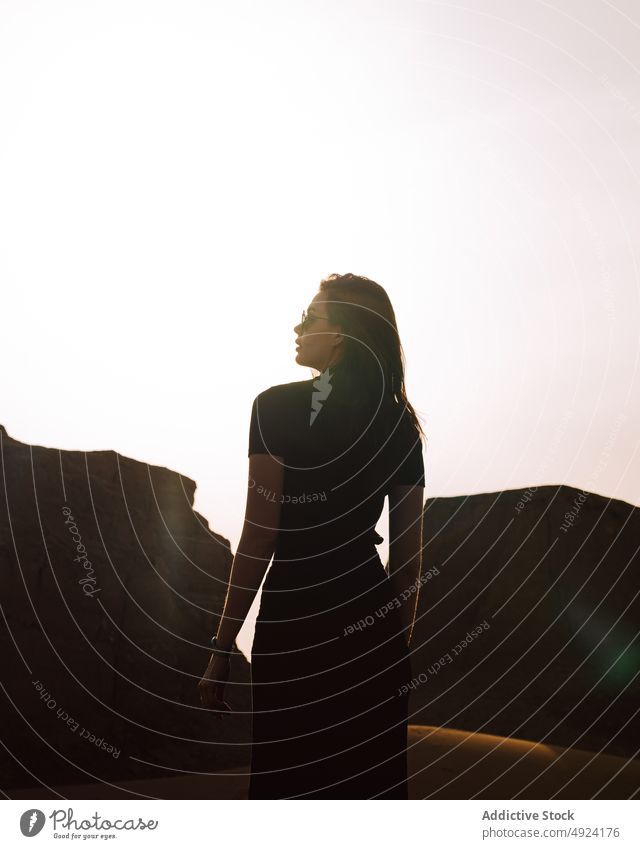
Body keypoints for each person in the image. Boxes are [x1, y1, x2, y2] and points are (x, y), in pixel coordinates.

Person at [198, 273, 425, 799]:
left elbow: (259, 539)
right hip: (373, 635)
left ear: (341, 334)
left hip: (294, 625)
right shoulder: (401, 426)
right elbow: (409, 563)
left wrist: (222, 647)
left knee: (288, 791)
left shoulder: (273, 407)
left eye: (311, 318)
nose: (297, 327)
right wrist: (389, 651)